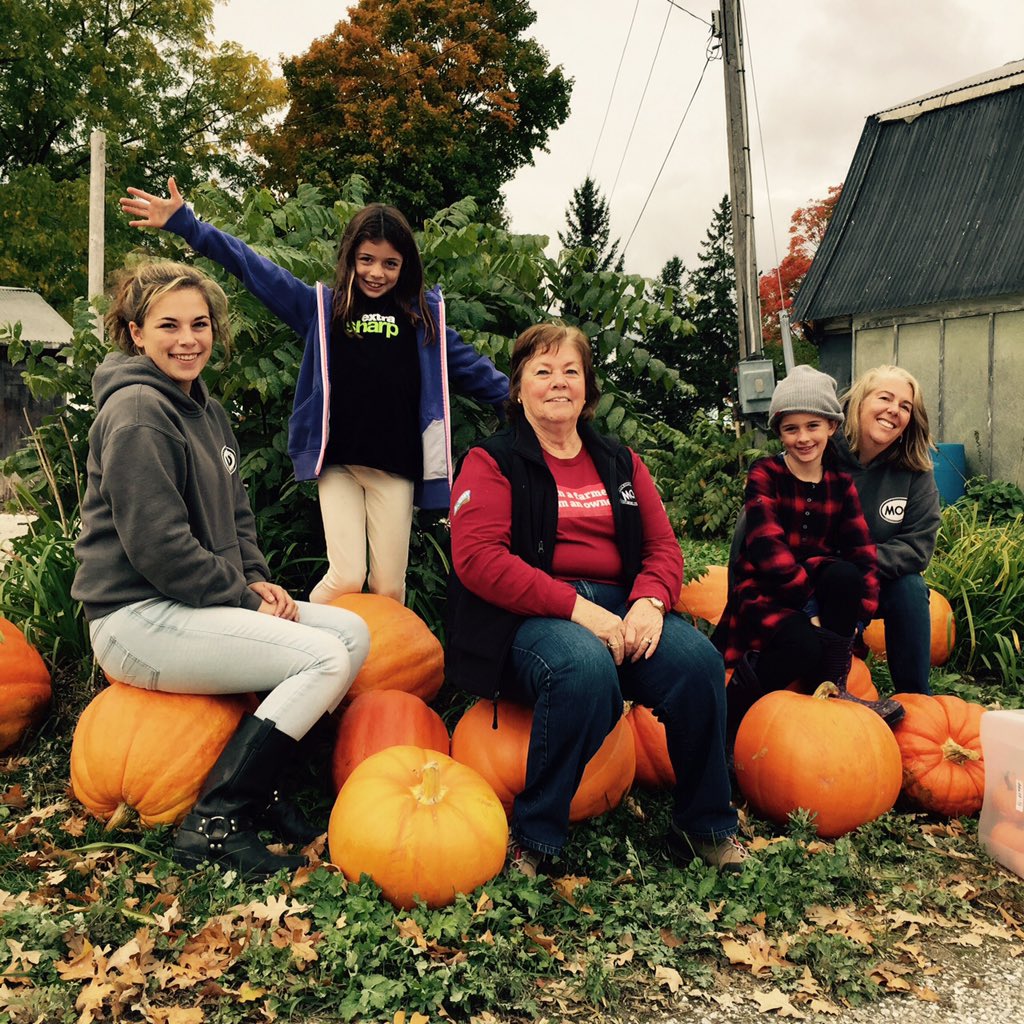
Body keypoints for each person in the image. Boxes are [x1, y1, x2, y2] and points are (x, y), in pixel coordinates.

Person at [72, 261, 372, 878]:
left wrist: (256, 579)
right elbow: (158, 548)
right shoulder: (136, 414)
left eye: (200, 324)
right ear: (135, 333)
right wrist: (242, 598)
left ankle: (263, 790)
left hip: (190, 604)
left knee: (352, 635)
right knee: (322, 659)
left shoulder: (203, 408)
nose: (188, 339)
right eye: (168, 326)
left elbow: (237, 518)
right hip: (134, 618)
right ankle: (217, 820)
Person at [445, 323, 746, 876]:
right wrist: (582, 612)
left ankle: (703, 825)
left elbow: (661, 547)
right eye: (542, 371)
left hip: (620, 603)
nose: (558, 382)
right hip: (531, 614)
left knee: (699, 664)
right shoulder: (492, 461)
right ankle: (535, 838)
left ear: (587, 387)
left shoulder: (620, 461)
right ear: (517, 389)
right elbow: (480, 560)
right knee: (582, 669)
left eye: (571, 371)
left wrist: (650, 603)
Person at [119, 178, 509, 605]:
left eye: (390, 263)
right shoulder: (322, 310)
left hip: (395, 468)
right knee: (346, 576)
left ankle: (374, 664)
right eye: (366, 259)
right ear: (350, 258)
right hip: (338, 464)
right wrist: (188, 226)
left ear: (405, 266)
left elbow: (472, 367)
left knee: (388, 589)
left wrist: (520, 399)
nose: (376, 272)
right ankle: (298, 636)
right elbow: (255, 268)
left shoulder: (424, 321)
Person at [714, 365, 902, 745]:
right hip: (766, 589)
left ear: (831, 426)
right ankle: (730, 723)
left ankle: (832, 688)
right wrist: (810, 607)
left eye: (813, 426)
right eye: (791, 428)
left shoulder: (840, 485)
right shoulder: (765, 473)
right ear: (779, 432)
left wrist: (859, 612)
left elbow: (862, 550)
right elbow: (766, 546)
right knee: (802, 644)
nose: (803, 438)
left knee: (846, 575)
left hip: (814, 583)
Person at [830, 366, 941, 695]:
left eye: (905, 406)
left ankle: (916, 698)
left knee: (910, 587)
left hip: (873, 580)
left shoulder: (915, 472)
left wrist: (857, 562)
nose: (895, 410)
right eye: (885, 398)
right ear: (860, 402)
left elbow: (917, 546)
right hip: (814, 579)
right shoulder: (821, 452)